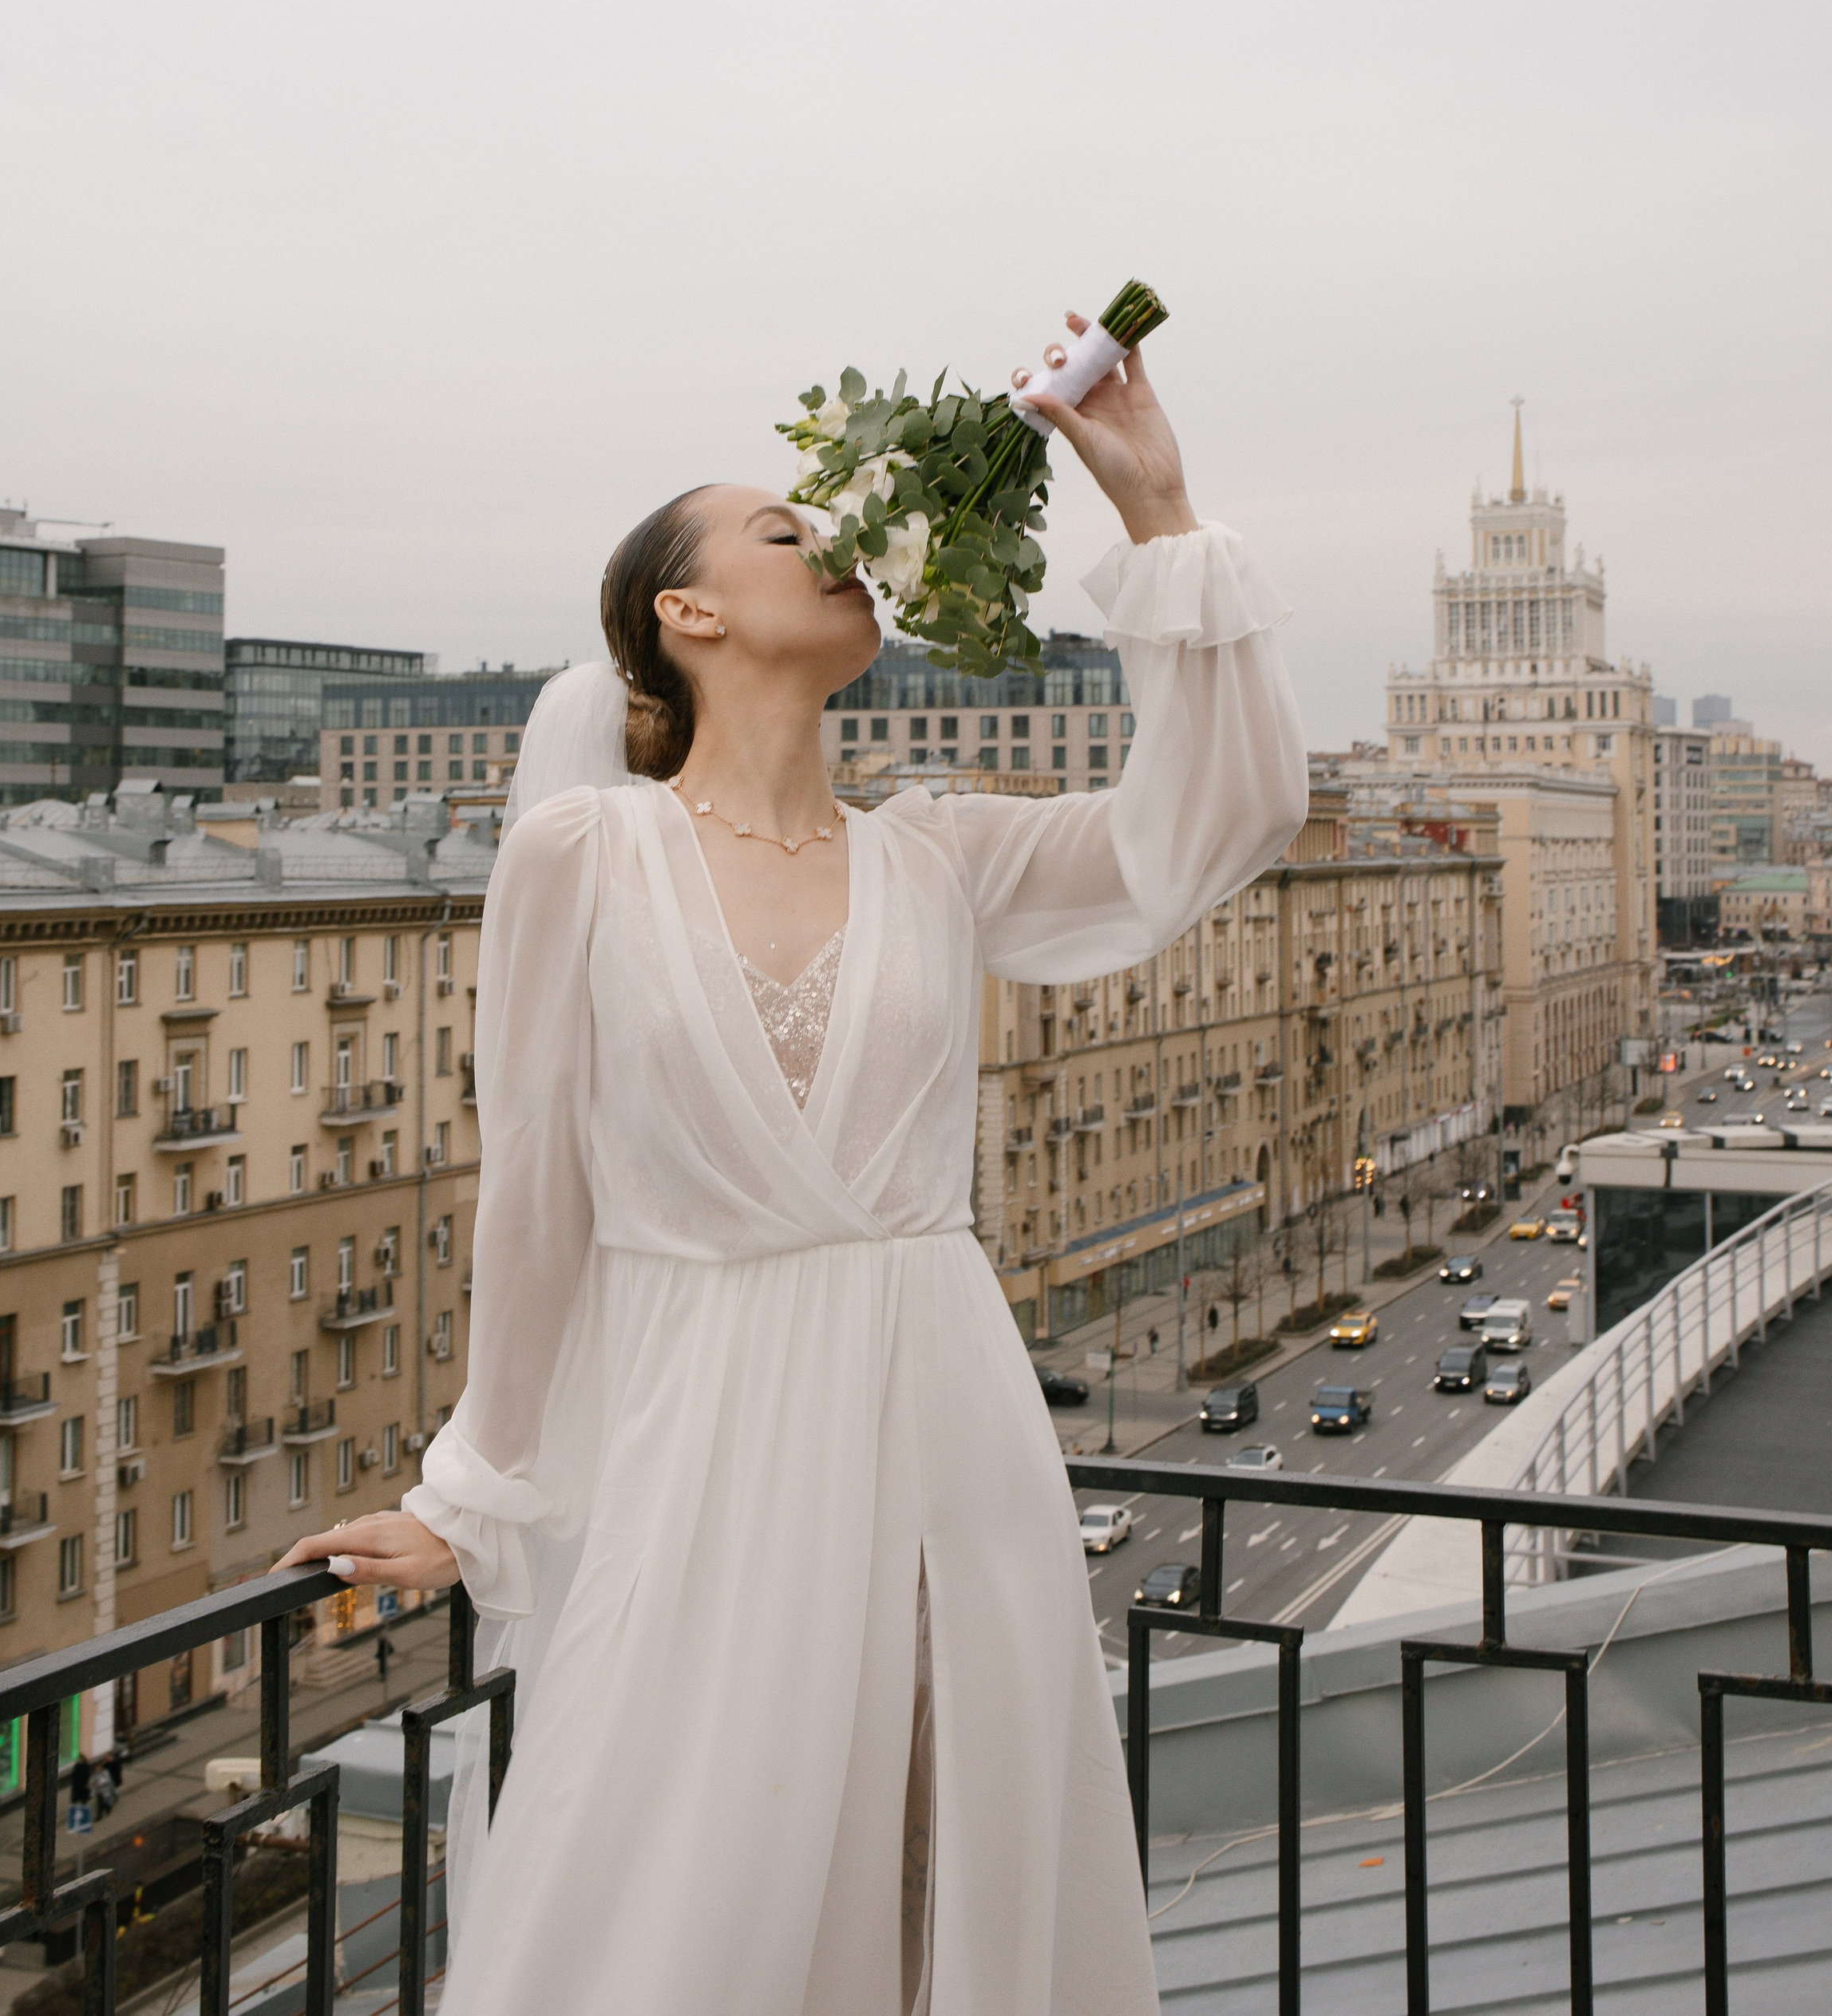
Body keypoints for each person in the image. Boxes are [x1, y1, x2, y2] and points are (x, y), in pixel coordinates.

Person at [282, 321, 1305, 2015]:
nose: (827, 537)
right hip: (712, 1436)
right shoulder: (581, 854)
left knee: (945, 1858)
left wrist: (1158, 510)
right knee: (691, 1880)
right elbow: (537, 1197)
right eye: (774, 527)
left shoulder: (940, 851)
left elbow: (1215, 825)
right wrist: (467, 1501)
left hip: (947, 1420)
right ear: (685, 615)